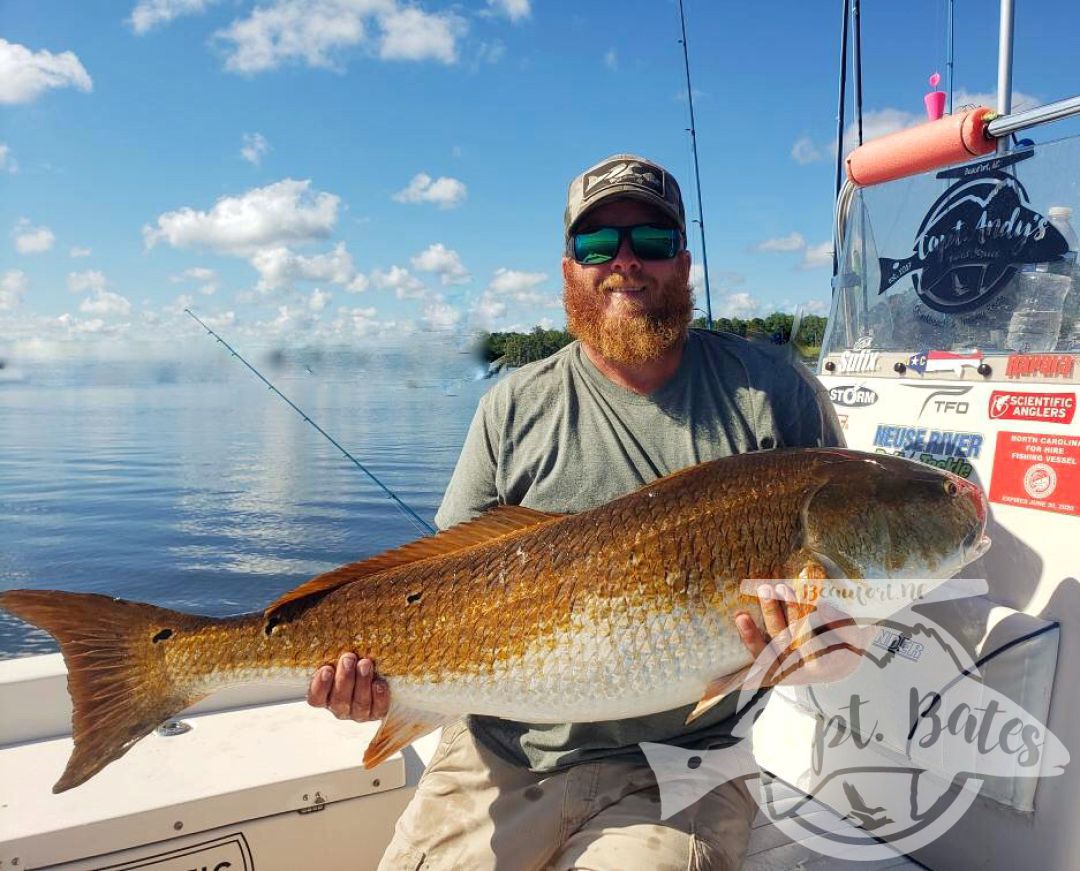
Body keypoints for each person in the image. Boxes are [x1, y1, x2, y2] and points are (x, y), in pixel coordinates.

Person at [307, 154, 845, 869]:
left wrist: (807, 649)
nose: (625, 263)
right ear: (569, 269)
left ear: (684, 262)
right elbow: (436, 584)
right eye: (597, 245)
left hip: (679, 764)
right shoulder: (513, 405)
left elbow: (838, 628)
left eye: (650, 241)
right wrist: (379, 685)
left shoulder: (772, 393)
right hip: (501, 752)